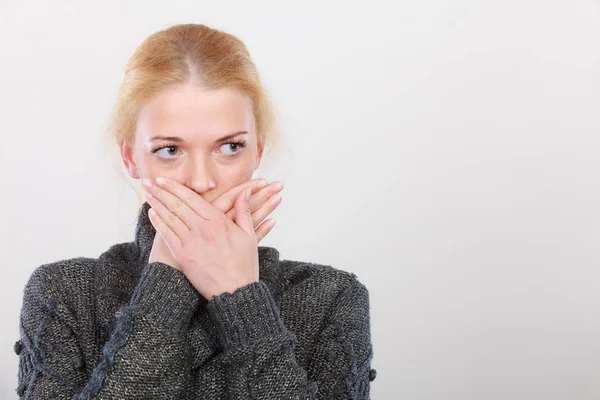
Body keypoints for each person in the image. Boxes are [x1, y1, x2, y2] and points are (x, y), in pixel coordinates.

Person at [14, 23, 376, 399]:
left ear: (259, 151)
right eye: (170, 150)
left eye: (230, 147)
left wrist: (241, 298)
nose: (201, 181)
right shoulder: (63, 293)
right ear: (131, 158)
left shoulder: (331, 297)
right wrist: (166, 281)